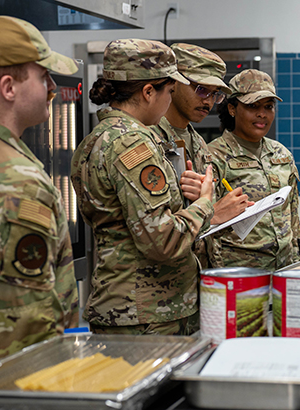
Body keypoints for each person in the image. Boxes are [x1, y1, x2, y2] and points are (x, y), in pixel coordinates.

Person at [0, 16, 79, 379]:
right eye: (43, 77)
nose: (52, 87)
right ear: (8, 87)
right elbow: (23, 323)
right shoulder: (13, 178)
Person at [71, 39, 214, 335]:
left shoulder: (95, 139)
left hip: (124, 304)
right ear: (149, 92)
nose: (170, 101)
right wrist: (204, 203)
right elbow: (162, 241)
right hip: (147, 312)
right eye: (170, 92)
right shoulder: (133, 143)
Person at [151, 43, 250, 269]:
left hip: (196, 274)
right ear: (174, 83)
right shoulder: (150, 138)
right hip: (158, 283)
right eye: (201, 89)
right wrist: (212, 211)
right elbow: (154, 227)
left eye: (214, 94)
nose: (208, 101)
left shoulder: (198, 143)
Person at [208, 69, 300, 271]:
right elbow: (207, 227)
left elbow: (293, 217)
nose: (262, 114)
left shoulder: (281, 154)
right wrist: (217, 275)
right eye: (253, 106)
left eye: (269, 107)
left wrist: (297, 264)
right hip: (239, 273)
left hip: (284, 269)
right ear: (232, 109)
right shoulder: (213, 156)